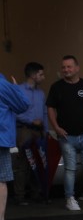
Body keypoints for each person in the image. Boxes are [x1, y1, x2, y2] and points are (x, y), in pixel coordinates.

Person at [46, 55, 83, 211]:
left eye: (69, 66)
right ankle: (70, 199)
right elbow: (50, 108)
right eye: (63, 67)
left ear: (77, 68)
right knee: (70, 169)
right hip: (67, 137)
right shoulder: (56, 87)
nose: (66, 70)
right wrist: (56, 127)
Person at [13, 62, 48, 205]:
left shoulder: (41, 93)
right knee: (23, 163)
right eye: (41, 74)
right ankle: (19, 196)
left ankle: (36, 193)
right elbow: (13, 112)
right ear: (33, 75)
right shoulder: (18, 90)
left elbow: (45, 112)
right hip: (24, 130)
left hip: (38, 132)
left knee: (39, 162)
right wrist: (31, 121)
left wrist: (45, 130)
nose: (43, 77)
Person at [0, 74, 30, 220]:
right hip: (1, 138)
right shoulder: (3, 85)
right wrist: (16, 88)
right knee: (1, 180)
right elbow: (23, 105)